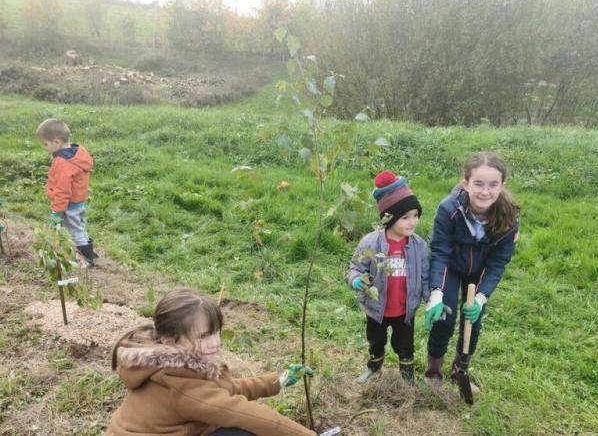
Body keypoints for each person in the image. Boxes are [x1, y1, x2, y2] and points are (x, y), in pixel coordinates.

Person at [106, 288, 316, 436]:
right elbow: (248, 414)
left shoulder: (177, 361)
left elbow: (226, 389)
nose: (216, 342)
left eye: (216, 332)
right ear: (171, 339)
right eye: (203, 336)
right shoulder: (178, 382)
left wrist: (278, 381)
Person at [423, 152, 520, 390]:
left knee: (472, 321)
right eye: (478, 184)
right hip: (451, 267)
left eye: (493, 184)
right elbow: (440, 252)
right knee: (444, 317)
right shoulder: (449, 210)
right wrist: (436, 293)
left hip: (480, 273)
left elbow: (498, 262)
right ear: (466, 183)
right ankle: (433, 372)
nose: (485, 192)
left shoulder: (509, 217)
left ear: (502, 185)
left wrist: (480, 297)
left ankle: (460, 371)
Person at [347, 170, 430, 385]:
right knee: (376, 341)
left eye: (416, 215)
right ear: (389, 218)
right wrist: (356, 280)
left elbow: (425, 276)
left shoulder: (418, 246)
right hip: (377, 309)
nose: (413, 222)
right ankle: (373, 369)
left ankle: (407, 377)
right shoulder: (371, 243)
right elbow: (355, 267)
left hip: (405, 310)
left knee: (406, 346)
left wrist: (431, 299)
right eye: (405, 217)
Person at [36, 118, 98, 267]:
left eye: (46, 144)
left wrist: (57, 212)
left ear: (56, 142)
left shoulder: (63, 163)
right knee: (79, 227)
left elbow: (63, 191)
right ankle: (87, 253)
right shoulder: (78, 153)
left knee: (74, 231)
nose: (45, 148)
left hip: (68, 205)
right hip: (78, 202)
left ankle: (87, 260)